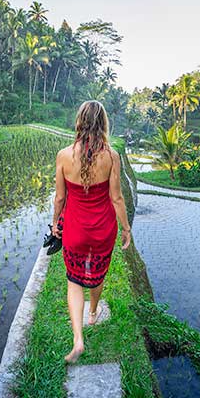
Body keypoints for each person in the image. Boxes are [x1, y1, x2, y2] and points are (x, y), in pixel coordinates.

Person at [51, 100, 131, 364]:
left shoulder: (63, 155)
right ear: (103, 124)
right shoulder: (111, 157)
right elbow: (117, 199)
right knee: (96, 277)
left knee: (74, 282)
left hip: (74, 230)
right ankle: (94, 312)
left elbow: (59, 199)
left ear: (79, 122)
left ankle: (78, 339)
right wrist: (126, 229)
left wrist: (55, 225)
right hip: (102, 231)